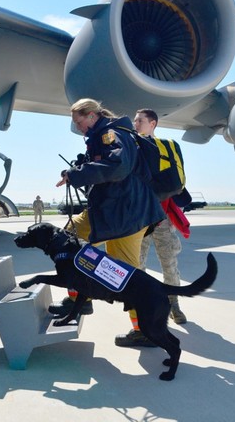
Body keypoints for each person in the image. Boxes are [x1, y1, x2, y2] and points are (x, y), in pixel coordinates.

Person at [50, 98, 165, 337]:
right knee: (67, 240)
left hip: (126, 215)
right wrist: (83, 167)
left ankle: (145, 331)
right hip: (107, 209)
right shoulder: (102, 136)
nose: (78, 127)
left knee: (126, 275)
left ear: (92, 115)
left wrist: (79, 174)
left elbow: (118, 167)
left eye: (79, 122)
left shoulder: (112, 134)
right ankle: (80, 298)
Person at [114, 108, 190, 348]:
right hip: (139, 218)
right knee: (139, 266)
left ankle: (174, 305)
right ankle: (147, 311)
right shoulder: (130, 148)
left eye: (139, 120)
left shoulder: (165, 148)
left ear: (153, 123)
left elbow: (177, 181)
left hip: (163, 218)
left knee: (169, 263)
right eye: (134, 119)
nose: (135, 123)